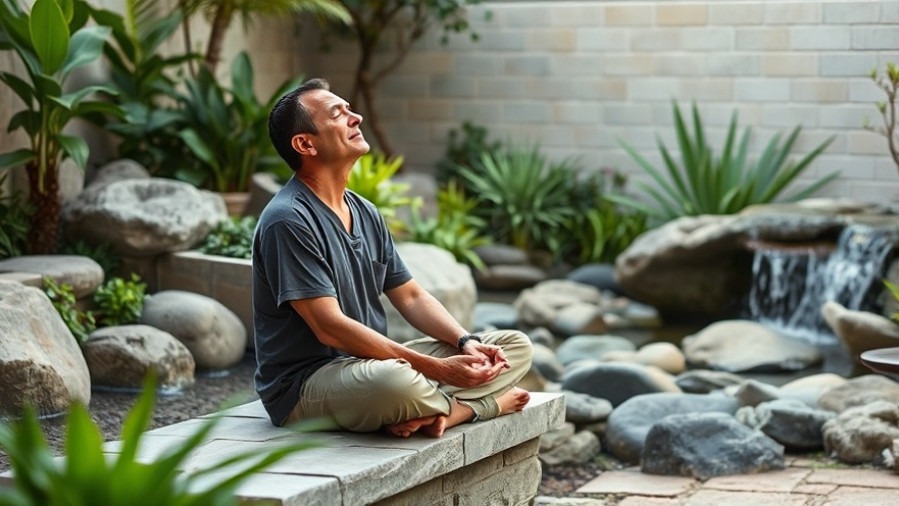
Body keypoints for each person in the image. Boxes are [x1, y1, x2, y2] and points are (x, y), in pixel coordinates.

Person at [253, 78, 533, 438]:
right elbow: (329, 326)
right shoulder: (288, 219)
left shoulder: (365, 211)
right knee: (394, 382)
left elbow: (412, 297)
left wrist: (466, 342)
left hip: (366, 364)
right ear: (305, 144)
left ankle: (440, 413)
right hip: (305, 385)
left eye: (350, 109)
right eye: (338, 114)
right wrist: (442, 371)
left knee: (510, 347)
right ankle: (482, 405)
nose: (356, 118)